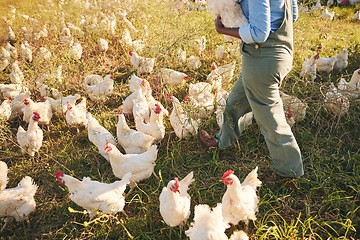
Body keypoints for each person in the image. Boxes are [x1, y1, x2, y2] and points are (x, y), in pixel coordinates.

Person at [198, 0, 304, 190]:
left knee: (270, 119)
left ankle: (288, 174)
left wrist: (222, 30)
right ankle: (221, 141)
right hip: (279, 52)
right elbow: (292, 16)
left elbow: (258, 33)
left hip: (262, 57)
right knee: (236, 101)